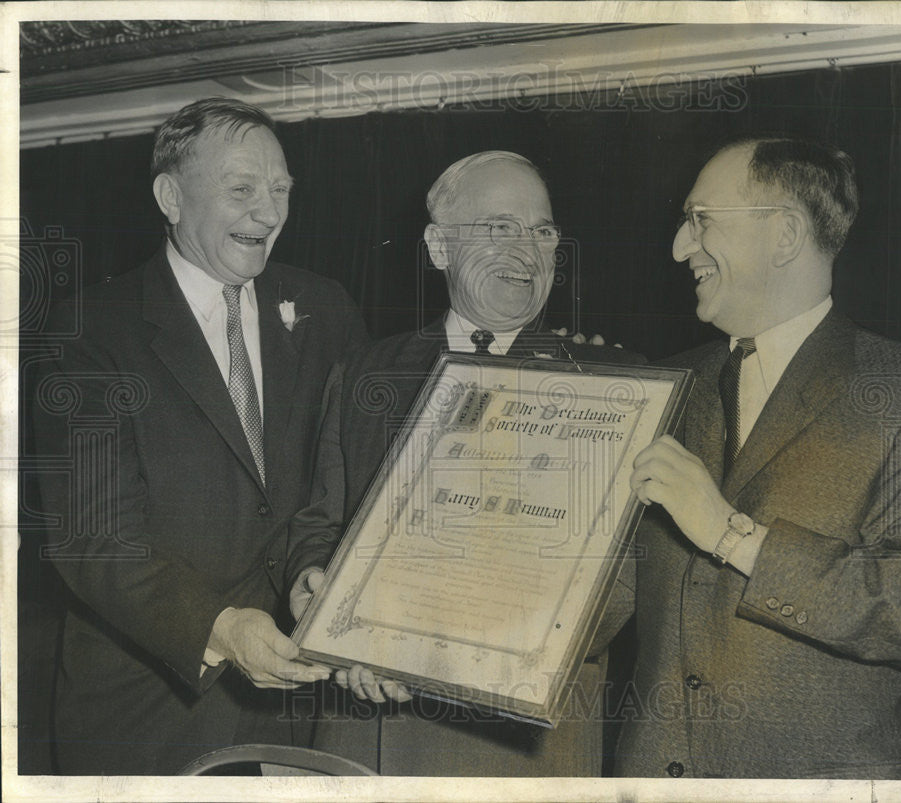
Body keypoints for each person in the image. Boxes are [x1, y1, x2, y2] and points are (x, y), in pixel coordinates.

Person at [617, 137, 901, 779]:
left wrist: (732, 534)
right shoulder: (661, 390)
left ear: (783, 235)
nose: (678, 247)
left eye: (700, 220)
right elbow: (592, 597)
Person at [32, 97, 368, 775]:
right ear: (171, 195)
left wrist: (316, 571)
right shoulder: (91, 332)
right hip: (147, 716)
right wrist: (224, 626)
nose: (268, 214)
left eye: (279, 191)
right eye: (241, 189)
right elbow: (97, 540)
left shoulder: (325, 307)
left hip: (304, 715)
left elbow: (354, 479)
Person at [287, 150, 642, 776]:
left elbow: (619, 587)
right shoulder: (367, 370)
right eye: (501, 227)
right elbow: (319, 525)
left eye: (544, 232)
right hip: (364, 740)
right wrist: (316, 591)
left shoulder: (609, 386)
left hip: (514, 753)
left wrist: (421, 648)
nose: (527, 250)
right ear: (438, 247)